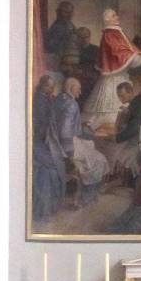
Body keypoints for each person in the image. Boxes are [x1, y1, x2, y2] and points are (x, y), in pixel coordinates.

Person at [82, 8, 141, 129]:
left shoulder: (115, 32)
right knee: (110, 111)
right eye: (114, 16)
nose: (117, 17)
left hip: (121, 76)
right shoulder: (110, 34)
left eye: (116, 15)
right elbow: (120, 53)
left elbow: (129, 49)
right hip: (113, 78)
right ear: (108, 19)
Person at [53, 77, 109, 191]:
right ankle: (88, 192)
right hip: (66, 145)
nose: (80, 92)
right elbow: (65, 132)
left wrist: (80, 124)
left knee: (90, 146)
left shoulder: (59, 99)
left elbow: (63, 124)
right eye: (78, 89)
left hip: (55, 142)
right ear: (70, 88)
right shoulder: (71, 104)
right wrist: (70, 153)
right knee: (100, 159)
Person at [32, 75, 66, 220]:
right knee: (51, 170)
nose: (51, 89)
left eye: (52, 86)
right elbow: (40, 126)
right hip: (38, 143)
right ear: (42, 85)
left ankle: (49, 208)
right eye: (48, 86)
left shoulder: (46, 98)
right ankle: (44, 210)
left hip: (45, 141)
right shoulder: (38, 101)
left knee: (54, 168)